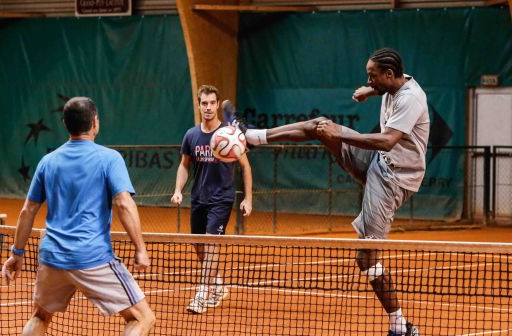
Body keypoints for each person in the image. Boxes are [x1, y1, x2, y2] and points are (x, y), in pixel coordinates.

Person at [235, 48, 427, 336]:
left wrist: (343, 135)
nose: (369, 79)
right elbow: (387, 90)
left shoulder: (411, 98)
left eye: (372, 76)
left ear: (388, 74)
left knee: (366, 259)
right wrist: (369, 91)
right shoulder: (394, 83)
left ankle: (400, 326)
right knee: (321, 125)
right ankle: (253, 136)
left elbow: (387, 141)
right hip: (377, 163)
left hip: (394, 180)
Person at [1, 97, 155, 336]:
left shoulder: (47, 161)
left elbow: (27, 211)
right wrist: (141, 248)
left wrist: (17, 253)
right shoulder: (110, 158)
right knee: (142, 318)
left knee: (40, 316)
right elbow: (124, 204)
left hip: (52, 257)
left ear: (65, 123)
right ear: (95, 122)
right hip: (92, 257)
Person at [171, 85, 253, 314]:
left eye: (211, 103)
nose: (208, 107)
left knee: (211, 243)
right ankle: (217, 284)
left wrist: (248, 198)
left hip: (222, 199)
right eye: (203, 103)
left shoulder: (230, 135)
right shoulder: (191, 135)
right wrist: (178, 189)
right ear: (198, 105)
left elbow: (245, 167)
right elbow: (184, 166)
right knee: (199, 246)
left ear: (217, 105)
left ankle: (202, 292)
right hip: (199, 198)